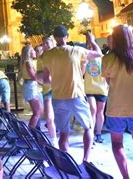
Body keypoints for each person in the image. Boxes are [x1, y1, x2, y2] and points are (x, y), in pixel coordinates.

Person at [42, 25, 102, 162]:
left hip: (58, 98)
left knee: (63, 133)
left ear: (54, 38)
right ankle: (86, 160)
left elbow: (46, 79)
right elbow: (98, 53)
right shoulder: (77, 50)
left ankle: (67, 162)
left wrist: (57, 81)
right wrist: (92, 41)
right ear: (66, 37)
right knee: (88, 128)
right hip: (76, 96)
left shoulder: (48, 55)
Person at [102, 25, 133, 178]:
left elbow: (108, 82)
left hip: (116, 107)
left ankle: (126, 176)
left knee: (116, 143)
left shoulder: (108, 58)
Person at [84, 42, 109, 144]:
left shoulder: (104, 58)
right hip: (89, 89)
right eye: (88, 46)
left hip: (102, 88)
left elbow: (108, 72)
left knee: (100, 111)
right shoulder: (84, 58)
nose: (89, 48)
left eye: (91, 46)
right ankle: (91, 134)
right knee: (92, 109)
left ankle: (98, 133)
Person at [38, 36, 57, 144]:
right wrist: (44, 80)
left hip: (62, 90)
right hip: (48, 91)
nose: (45, 45)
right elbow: (38, 75)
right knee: (49, 117)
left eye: (47, 43)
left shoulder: (60, 55)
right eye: (43, 43)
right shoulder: (41, 59)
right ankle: (54, 141)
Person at [20, 43, 43, 128]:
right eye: (33, 50)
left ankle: (32, 131)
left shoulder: (30, 62)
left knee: (38, 111)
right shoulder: (28, 63)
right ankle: (29, 131)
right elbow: (33, 77)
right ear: (29, 53)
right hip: (30, 86)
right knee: (37, 112)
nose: (35, 52)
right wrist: (44, 83)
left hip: (31, 86)